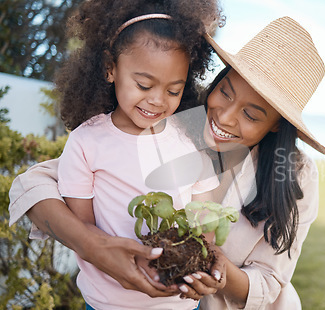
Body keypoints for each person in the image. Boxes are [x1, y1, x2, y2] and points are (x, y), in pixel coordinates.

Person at [9, 16, 325, 309]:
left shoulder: (295, 173)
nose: (224, 116)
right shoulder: (170, 124)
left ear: (278, 124)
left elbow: (269, 281)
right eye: (224, 92)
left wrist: (218, 270)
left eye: (251, 115)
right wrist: (94, 246)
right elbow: (36, 183)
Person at [19, 0, 223, 309]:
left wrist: (202, 260)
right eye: (143, 84)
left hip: (177, 305)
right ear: (110, 68)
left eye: (173, 91)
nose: (157, 100)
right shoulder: (87, 141)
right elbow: (83, 225)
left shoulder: (190, 142)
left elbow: (205, 224)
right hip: (107, 303)